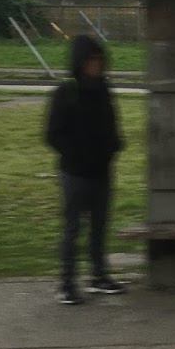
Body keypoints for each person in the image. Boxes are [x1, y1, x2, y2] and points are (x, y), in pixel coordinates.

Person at [45, 35, 125, 305]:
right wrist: (76, 154)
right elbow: (53, 134)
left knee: (99, 227)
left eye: (100, 60)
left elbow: (111, 123)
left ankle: (98, 275)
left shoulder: (103, 89)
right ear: (80, 62)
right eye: (92, 60)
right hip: (75, 173)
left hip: (101, 170)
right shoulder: (66, 92)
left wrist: (113, 146)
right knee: (72, 229)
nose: (97, 64)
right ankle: (66, 283)